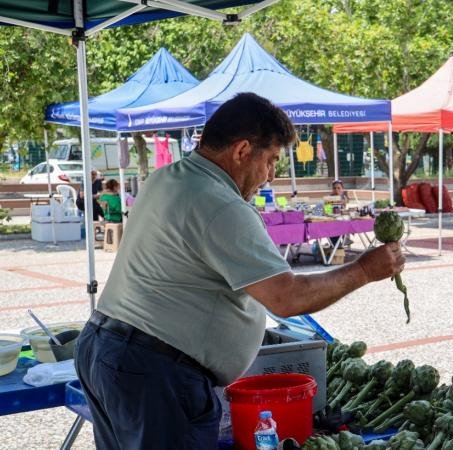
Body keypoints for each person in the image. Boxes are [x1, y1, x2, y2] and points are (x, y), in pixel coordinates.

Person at [74, 93, 405, 449]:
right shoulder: (219, 203)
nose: (271, 175)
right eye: (271, 160)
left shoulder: (169, 178)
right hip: (154, 373)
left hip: (108, 351)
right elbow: (286, 298)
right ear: (243, 150)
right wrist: (364, 270)